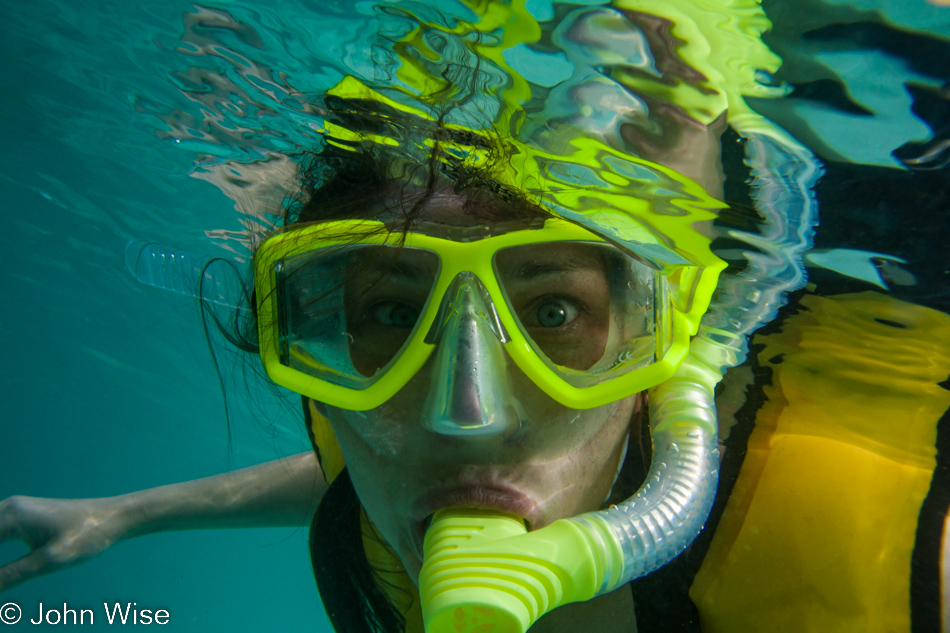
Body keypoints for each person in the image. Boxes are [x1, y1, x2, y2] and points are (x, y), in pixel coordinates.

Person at [0, 1, 859, 631]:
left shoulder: (854, 551)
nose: (463, 416)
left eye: (554, 311)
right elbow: (356, 475)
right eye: (388, 310)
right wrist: (126, 513)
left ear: (653, 355)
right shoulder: (374, 423)